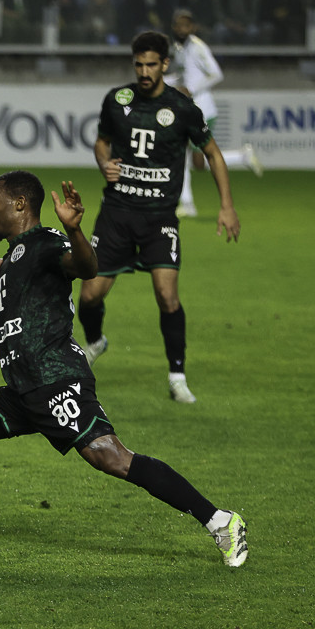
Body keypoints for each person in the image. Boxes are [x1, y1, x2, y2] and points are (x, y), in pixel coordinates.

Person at [0, 171, 248, 568]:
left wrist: (74, 229)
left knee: (111, 457)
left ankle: (220, 521)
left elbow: (86, 268)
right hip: (21, 390)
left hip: (57, 380)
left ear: (20, 204)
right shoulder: (9, 265)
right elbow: (0, 333)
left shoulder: (46, 241)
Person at [78, 31, 243, 404]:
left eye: (151, 65)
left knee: (167, 297)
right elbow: (102, 142)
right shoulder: (117, 100)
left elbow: (213, 154)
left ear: (165, 64)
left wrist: (226, 205)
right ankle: (95, 341)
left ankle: (177, 377)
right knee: (89, 295)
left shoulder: (182, 109)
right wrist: (104, 163)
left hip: (159, 219)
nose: (144, 72)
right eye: (138, 65)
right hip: (116, 214)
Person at [166, 8, 263, 218]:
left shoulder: (197, 47)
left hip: (202, 110)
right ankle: (188, 204)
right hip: (191, 109)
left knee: (195, 160)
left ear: (193, 27)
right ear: (173, 27)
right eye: (178, 25)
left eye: (186, 25)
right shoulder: (179, 48)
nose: (181, 29)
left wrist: (192, 89)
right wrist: (163, 82)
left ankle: (241, 157)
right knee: (189, 159)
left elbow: (216, 74)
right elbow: (183, 78)